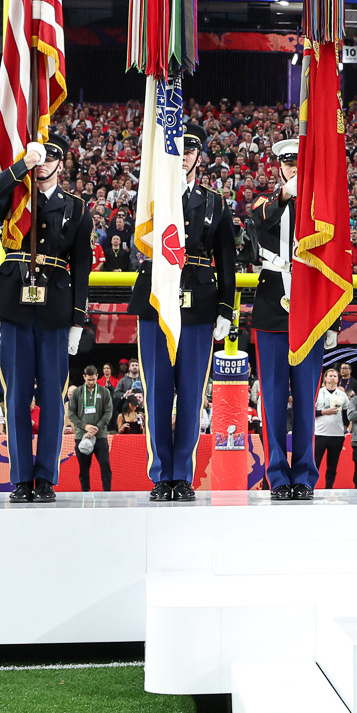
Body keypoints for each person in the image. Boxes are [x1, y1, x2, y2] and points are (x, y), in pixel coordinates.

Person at [129, 123, 236, 502]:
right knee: (157, 392)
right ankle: (161, 474)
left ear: (199, 157)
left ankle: (182, 475)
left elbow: (227, 260)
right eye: (179, 149)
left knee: (191, 393)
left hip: (199, 302)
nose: (185, 155)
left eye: (190, 150)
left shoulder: (215, 203)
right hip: (156, 299)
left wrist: (226, 308)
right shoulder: (151, 198)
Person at [0, 133, 94, 504]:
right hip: (16, 302)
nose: (43, 164)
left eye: (49, 158)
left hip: (56, 307)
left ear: (61, 163)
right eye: (39, 158)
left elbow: (82, 266)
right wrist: (22, 165)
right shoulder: (16, 197)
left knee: (52, 395)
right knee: (16, 394)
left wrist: (78, 320)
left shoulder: (76, 208)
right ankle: (20, 477)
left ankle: (45, 476)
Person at [248, 138, 324, 500]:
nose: (294, 168)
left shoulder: (321, 206)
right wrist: (285, 195)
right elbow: (258, 220)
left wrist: (334, 322)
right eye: (289, 163)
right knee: (273, 398)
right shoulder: (266, 200)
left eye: (299, 163)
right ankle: (277, 475)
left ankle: (305, 475)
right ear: (279, 166)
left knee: (307, 398)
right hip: (272, 304)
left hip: (311, 305)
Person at [67, 365, 114, 491]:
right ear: (84, 377)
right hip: (82, 436)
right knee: (83, 468)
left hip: (100, 435)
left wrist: (97, 427)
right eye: (89, 380)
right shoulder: (77, 393)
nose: (91, 382)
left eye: (93, 379)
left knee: (105, 464)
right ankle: (85, 492)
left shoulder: (104, 392)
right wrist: (85, 426)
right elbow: (71, 414)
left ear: (97, 376)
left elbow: (108, 412)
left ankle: (107, 492)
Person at [313, 368, 348, 489]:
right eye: (330, 376)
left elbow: (346, 412)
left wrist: (345, 427)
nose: (332, 378)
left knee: (332, 465)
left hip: (337, 435)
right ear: (325, 378)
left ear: (338, 379)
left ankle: (329, 487)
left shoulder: (342, 394)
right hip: (320, 433)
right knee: (315, 462)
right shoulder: (318, 393)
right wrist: (323, 412)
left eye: (335, 376)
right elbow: (310, 412)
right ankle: (311, 486)